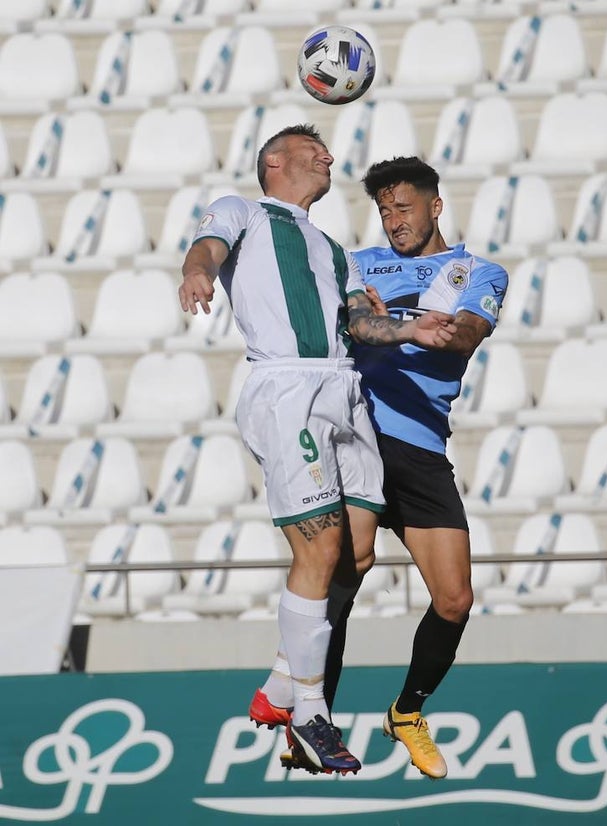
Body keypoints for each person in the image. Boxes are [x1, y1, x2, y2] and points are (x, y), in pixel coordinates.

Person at [178, 125, 456, 775]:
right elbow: (207, 247)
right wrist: (197, 273)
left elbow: (362, 324)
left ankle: (279, 686)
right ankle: (308, 715)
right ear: (274, 162)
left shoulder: (337, 251)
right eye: (312, 148)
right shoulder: (244, 211)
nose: (327, 155)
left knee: (356, 553)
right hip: (288, 390)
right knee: (321, 548)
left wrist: (418, 325)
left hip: (346, 392)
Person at [350, 156, 508, 779]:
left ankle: (407, 711)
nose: (393, 221)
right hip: (358, 436)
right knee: (346, 569)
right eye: (385, 210)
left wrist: (401, 325)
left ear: (435, 206)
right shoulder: (360, 264)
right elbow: (353, 326)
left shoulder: (477, 271)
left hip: (420, 448)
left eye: (404, 208)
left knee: (454, 599)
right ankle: (310, 709)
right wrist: (406, 327)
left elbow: (465, 334)